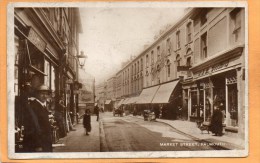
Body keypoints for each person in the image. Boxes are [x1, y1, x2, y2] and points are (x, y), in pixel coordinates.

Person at [23, 84, 53, 152]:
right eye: (42, 94)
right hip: (39, 144)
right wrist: (38, 145)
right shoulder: (34, 107)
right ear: (37, 94)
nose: (44, 96)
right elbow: (33, 127)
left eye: (46, 94)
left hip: (44, 142)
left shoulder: (42, 106)